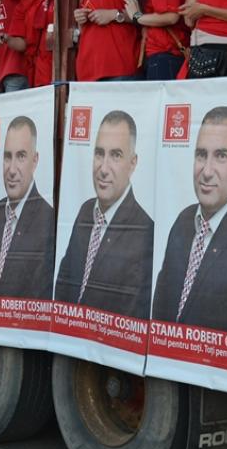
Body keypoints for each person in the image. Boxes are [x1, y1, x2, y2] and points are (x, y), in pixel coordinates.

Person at [151, 106, 227, 337]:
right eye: (201, 155)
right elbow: (162, 307)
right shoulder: (183, 222)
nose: (206, 171)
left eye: (221, 156)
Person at [54, 111, 154, 319]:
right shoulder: (85, 211)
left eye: (116, 155)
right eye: (100, 153)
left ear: (133, 163)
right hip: (71, 338)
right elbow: (64, 279)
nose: (104, 168)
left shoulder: (144, 230)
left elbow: (134, 307)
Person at [0, 117, 55, 299]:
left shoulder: (47, 217)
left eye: (21, 156)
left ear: (35, 160)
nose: (12, 169)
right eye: (7, 157)